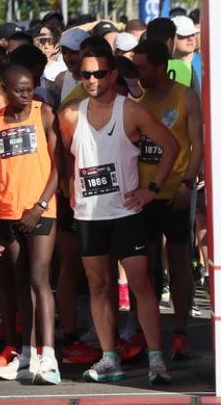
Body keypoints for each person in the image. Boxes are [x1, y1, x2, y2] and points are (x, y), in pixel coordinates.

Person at [57, 47, 179, 384]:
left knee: (140, 284)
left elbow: (171, 146)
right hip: (88, 215)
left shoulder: (131, 112)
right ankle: (109, 358)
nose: (92, 80)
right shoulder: (69, 115)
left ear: (112, 76)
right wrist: (71, 182)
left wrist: (151, 189)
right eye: (86, 75)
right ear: (79, 78)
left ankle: (157, 361)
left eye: (99, 74)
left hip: (126, 212)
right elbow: (67, 155)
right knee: (98, 287)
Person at [0, 65, 60, 384]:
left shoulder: (44, 114)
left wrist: (39, 207)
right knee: (18, 282)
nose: (27, 95)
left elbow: (60, 168)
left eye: (30, 89)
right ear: (4, 89)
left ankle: (50, 357)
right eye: (20, 90)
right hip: (7, 211)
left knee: (39, 277)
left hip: (41, 210)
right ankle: (27, 354)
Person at [131, 39, 203, 360]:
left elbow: (198, 145)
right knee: (142, 265)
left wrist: (188, 185)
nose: (138, 72)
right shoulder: (136, 97)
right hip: (143, 195)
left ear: (161, 67)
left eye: (143, 67)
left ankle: (181, 332)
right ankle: (146, 332)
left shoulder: (185, 95)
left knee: (178, 261)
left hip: (176, 192)